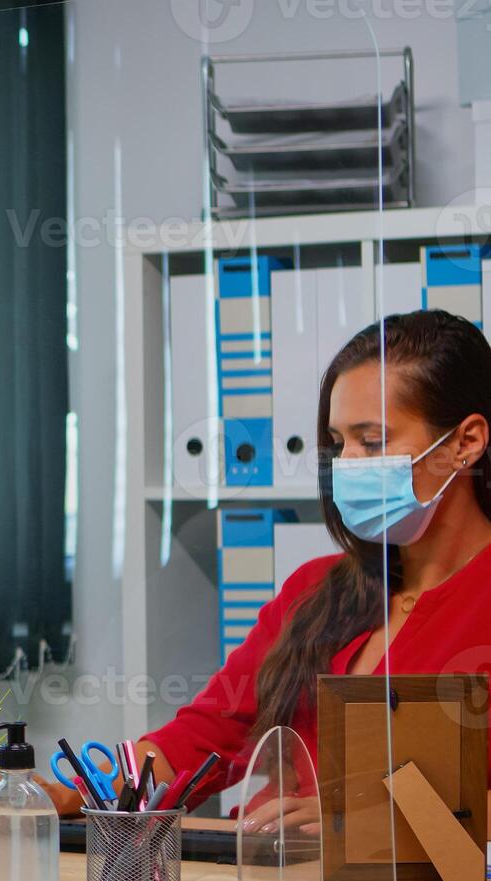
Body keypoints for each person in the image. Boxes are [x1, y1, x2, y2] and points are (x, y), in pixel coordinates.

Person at [39, 311, 491, 831]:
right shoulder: (317, 590)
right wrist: (76, 793)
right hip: (264, 878)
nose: (347, 464)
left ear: (467, 441)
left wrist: (367, 820)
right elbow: (208, 735)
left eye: (372, 441)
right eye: (339, 443)